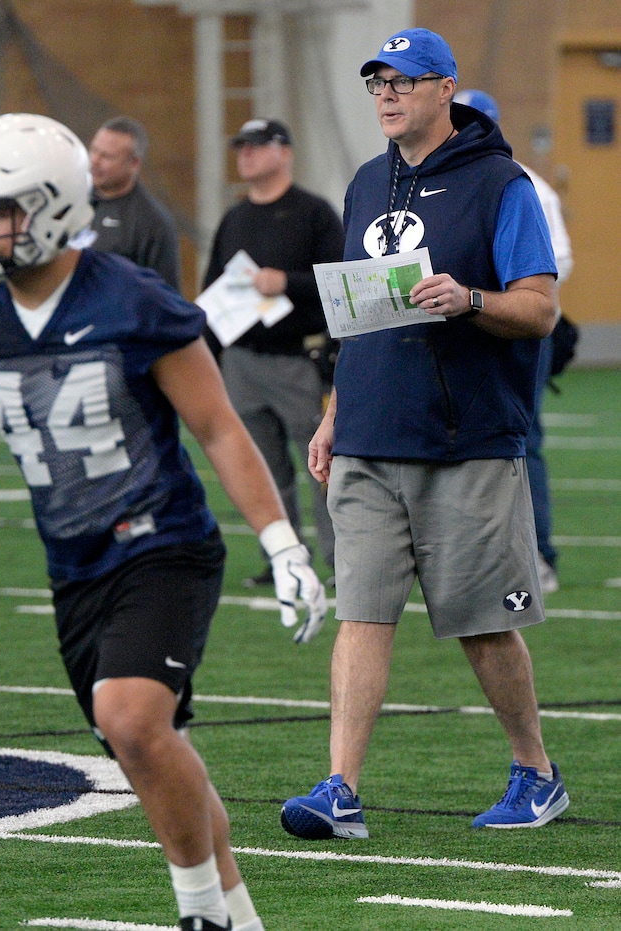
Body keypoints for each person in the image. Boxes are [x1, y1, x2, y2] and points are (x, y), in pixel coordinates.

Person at [0, 112, 327, 931]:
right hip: (74, 571)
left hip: (164, 547)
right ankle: (243, 919)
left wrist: (281, 543)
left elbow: (218, 426)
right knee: (149, 749)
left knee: (130, 718)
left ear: (55, 206)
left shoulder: (132, 300)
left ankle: (200, 913)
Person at [280, 28, 570, 839]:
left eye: (403, 82)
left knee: (483, 623)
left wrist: (470, 299)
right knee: (362, 613)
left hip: (467, 441)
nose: (386, 95)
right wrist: (337, 415)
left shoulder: (501, 184)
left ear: (446, 89)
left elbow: (540, 307)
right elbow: (355, 319)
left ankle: (535, 771)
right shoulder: (367, 183)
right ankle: (340, 787)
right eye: (377, 83)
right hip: (371, 438)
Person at [202, 119, 346, 586]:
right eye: (241, 146)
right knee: (262, 467)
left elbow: (340, 281)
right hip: (242, 361)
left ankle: (341, 563)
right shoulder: (235, 217)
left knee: (321, 465)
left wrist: (286, 282)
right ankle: (286, 559)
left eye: (257, 146)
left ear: (284, 152)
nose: (245, 154)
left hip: (297, 361)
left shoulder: (313, 212)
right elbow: (211, 289)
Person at [453, 89, 574, 595]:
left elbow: (558, 263)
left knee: (524, 437)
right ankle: (470, 557)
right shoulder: (449, 180)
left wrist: (499, 294)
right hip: (465, 325)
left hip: (516, 327)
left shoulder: (523, 184)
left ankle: (539, 556)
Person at [88, 115, 181, 289]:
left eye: (107, 156)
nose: (95, 161)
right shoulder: (71, 201)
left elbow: (166, 297)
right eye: (94, 150)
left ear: (134, 163)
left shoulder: (153, 224)